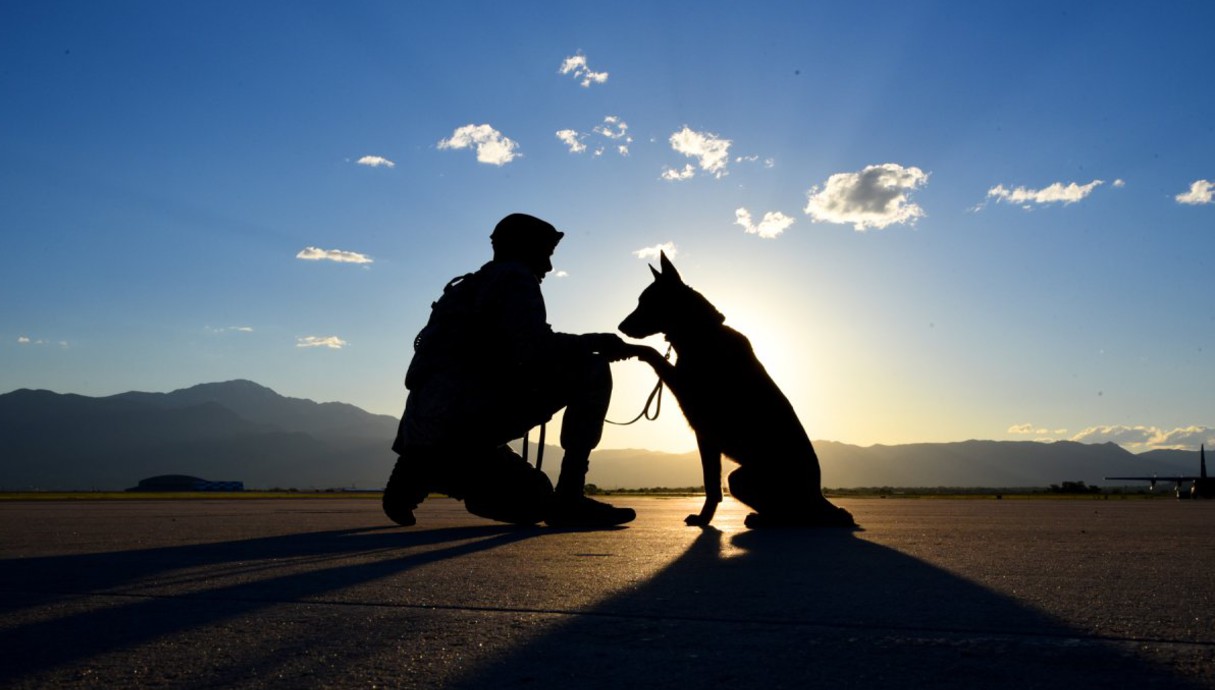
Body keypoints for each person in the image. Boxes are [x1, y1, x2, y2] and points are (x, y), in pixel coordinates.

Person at [383, 213, 640, 528]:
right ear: (524, 248)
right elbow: (533, 349)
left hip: (427, 429)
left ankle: (424, 472)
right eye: (545, 254)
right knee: (592, 368)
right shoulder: (515, 277)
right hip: (466, 424)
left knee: (534, 500)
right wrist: (596, 342)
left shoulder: (467, 287)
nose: (548, 267)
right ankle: (570, 496)